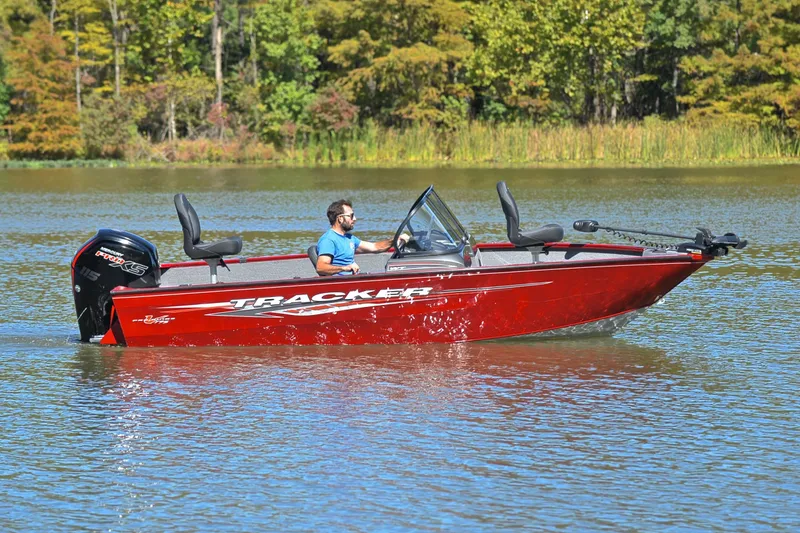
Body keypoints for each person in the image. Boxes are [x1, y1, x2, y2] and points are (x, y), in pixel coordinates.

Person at [315, 199, 409, 276]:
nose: (355, 219)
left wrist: (395, 239)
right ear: (340, 218)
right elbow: (321, 267)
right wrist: (345, 268)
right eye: (351, 216)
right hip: (340, 284)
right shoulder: (328, 240)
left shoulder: (349, 238)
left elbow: (375, 247)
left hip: (353, 279)